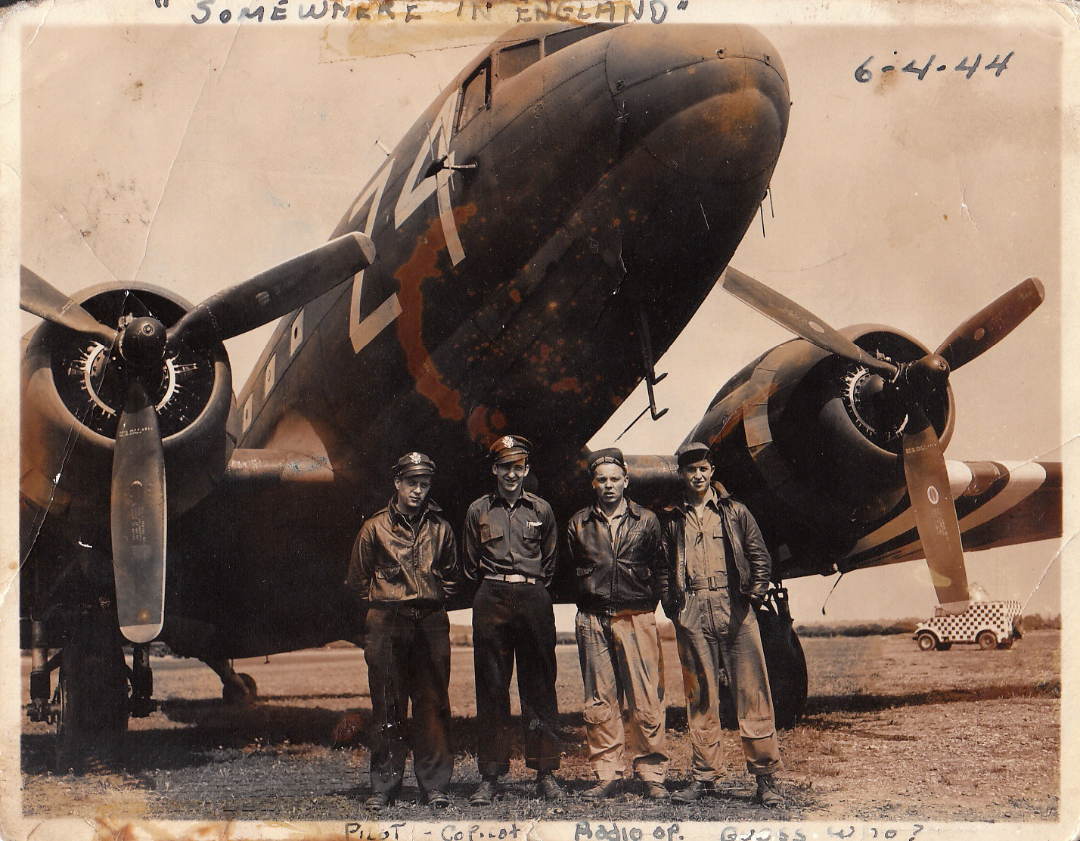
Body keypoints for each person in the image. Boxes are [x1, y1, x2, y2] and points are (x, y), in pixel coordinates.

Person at [658, 441, 785, 807]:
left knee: (753, 694)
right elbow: (665, 570)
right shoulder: (672, 519)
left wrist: (755, 596)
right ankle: (703, 778)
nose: (697, 475)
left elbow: (759, 557)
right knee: (700, 698)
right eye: (689, 470)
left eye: (703, 468)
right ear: (682, 474)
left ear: (712, 471)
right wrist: (674, 608)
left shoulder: (736, 512)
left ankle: (765, 780)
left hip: (736, 608)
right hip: (693, 608)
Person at [345, 451, 460, 811]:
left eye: (424, 484)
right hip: (387, 621)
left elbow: (453, 578)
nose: (418, 490)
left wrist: (429, 598)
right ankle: (384, 786)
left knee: (432, 704)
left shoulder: (441, 528)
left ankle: (435, 785)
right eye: (412, 483)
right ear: (397, 482)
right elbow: (357, 582)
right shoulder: (374, 527)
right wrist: (388, 602)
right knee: (387, 705)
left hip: (429, 621)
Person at [463, 435, 563, 805]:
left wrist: (528, 585)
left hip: (532, 596)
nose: (511, 473)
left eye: (517, 466)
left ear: (526, 469)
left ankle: (545, 772)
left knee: (539, 685)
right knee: (491, 688)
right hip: (491, 597)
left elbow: (549, 562)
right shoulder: (478, 511)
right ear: (494, 469)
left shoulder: (541, 510)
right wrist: (498, 587)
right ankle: (490, 776)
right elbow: (469, 561)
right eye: (504, 466)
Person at [565, 448, 669, 801]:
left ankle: (652, 774)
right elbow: (567, 573)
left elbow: (661, 568)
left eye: (615, 479)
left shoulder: (648, 520)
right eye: (602, 480)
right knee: (600, 702)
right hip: (592, 620)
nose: (609, 485)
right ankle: (606, 774)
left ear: (626, 480)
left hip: (636, 616)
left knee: (646, 700)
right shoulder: (578, 523)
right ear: (593, 484)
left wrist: (641, 606)